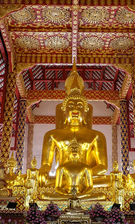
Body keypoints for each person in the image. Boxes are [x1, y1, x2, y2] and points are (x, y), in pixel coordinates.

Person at [39, 62, 110, 199]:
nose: (75, 109)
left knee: (111, 180)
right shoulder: (52, 135)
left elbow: (102, 167)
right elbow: (46, 165)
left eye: (79, 106)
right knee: (40, 180)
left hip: (87, 178)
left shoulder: (96, 135)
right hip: (62, 178)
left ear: (86, 110)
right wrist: (43, 170)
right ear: (64, 111)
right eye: (70, 105)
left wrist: (83, 174)